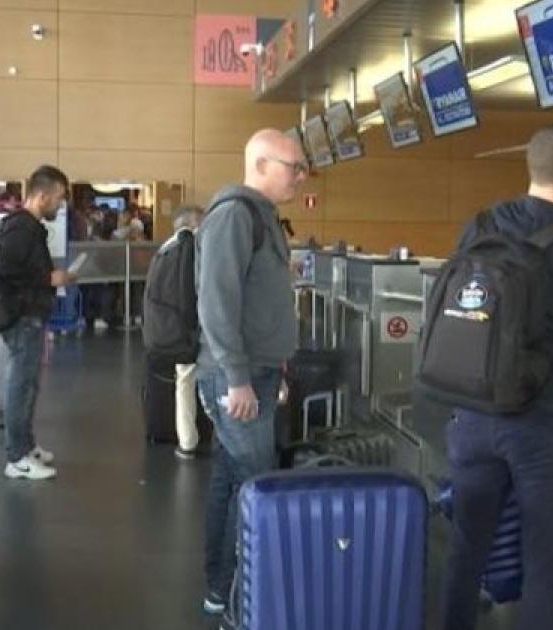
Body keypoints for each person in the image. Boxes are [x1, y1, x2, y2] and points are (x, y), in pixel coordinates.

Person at [441, 123, 553, 630]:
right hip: (542, 422)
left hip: (472, 414)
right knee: (543, 564)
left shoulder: (479, 225)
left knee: (466, 549)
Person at [196, 129, 304, 616]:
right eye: (292, 167)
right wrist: (237, 377)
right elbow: (217, 303)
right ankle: (241, 597)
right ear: (260, 165)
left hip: (254, 372)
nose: (300, 178)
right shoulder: (235, 216)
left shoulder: (262, 218)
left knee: (231, 477)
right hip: (233, 378)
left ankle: (221, 589)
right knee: (256, 483)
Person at [0, 165, 74, 481]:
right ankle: (16, 456)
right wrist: (48, 278)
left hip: (28, 314)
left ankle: (25, 446)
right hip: (22, 315)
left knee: (28, 384)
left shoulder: (24, 226)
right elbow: (6, 269)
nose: (61, 205)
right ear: (42, 195)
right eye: (59, 198)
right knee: (20, 384)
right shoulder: (21, 228)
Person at [163, 205, 206, 460]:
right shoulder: (192, 250)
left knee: (184, 382)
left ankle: (188, 441)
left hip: (175, 329)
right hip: (194, 327)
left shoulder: (167, 249)